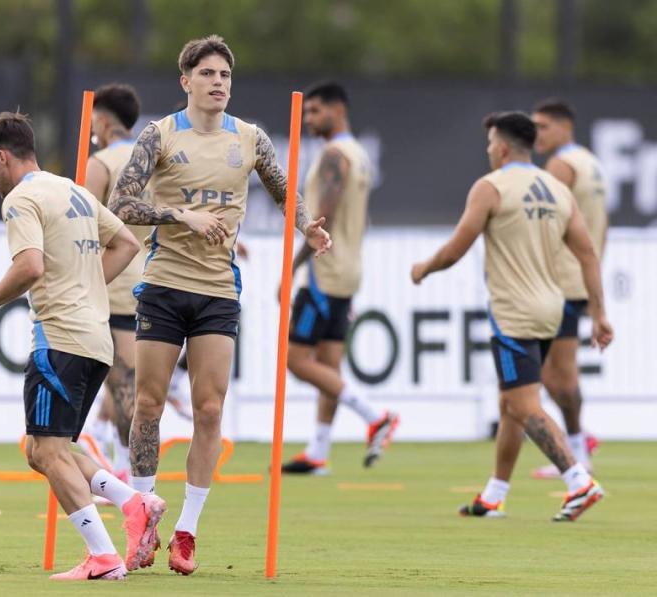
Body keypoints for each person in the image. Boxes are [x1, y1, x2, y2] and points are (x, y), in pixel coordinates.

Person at [109, 35, 331, 574]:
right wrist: (182, 217)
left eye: (225, 76)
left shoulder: (250, 138)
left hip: (217, 290)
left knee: (210, 409)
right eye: (207, 74)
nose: (218, 83)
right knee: (149, 406)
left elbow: (281, 189)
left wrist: (306, 225)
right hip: (163, 285)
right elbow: (121, 203)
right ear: (186, 81)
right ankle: (143, 515)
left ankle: (186, 530)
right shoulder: (159, 135)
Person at [0, 111, 164, 581]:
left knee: (48, 453)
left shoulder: (21, 199)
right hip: (95, 338)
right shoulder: (73, 190)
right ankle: (134, 503)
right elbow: (128, 242)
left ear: (4, 158)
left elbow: (29, 267)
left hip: (61, 338)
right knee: (44, 448)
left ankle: (104, 557)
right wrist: (88, 287)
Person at [411, 111, 612, 521]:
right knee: (510, 403)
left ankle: (579, 480)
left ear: (501, 147)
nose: (488, 151)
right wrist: (600, 313)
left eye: (489, 144)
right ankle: (494, 495)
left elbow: (455, 249)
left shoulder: (491, 187)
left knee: (522, 404)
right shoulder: (557, 188)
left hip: (514, 312)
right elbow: (588, 253)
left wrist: (424, 268)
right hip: (552, 308)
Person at [281, 81, 399, 475]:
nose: (309, 119)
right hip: (349, 269)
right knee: (329, 364)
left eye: (315, 111)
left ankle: (375, 415)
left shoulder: (334, 155)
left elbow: (321, 220)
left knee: (295, 360)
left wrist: (294, 265)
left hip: (325, 268)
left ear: (338, 110)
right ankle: (318, 450)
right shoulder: (359, 155)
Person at [530, 98, 609, 480]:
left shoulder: (560, 166)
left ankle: (576, 447)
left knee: (545, 374)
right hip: (575, 280)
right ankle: (578, 445)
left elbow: (542, 224)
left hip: (557, 282)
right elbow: (601, 228)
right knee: (560, 372)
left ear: (564, 127)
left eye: (543, 127)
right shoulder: (591, 163)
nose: (536, 134)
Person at [83, 83, 151, 481]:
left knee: (124, 381)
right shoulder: (153, 161)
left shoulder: (102, 163)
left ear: (104, 121)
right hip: (152, 278)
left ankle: (124, 467)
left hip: (113, 283)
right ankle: (98, 435)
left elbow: (84, 223)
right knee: (126, 380)